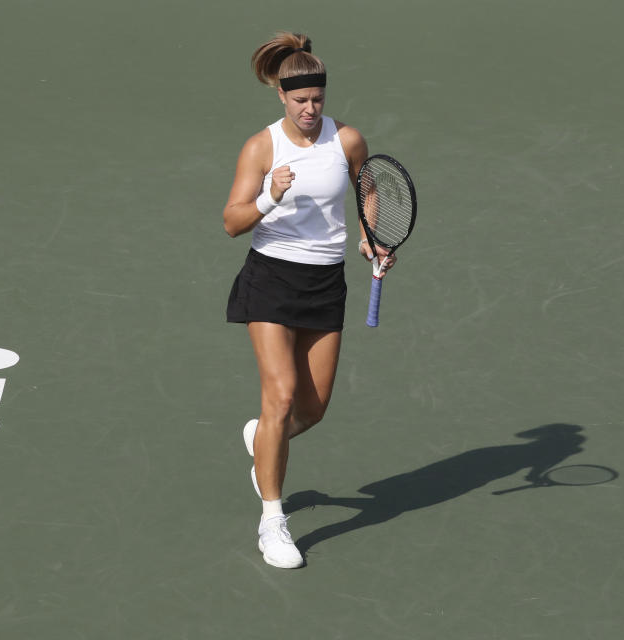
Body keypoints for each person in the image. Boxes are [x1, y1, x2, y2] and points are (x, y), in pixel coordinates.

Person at [223, 32, 396, 569]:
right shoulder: (261, 147)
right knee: (279, 396)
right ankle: (272, 521)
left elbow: (365, 185)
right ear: (281, 96)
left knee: (311, 409)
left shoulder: (346, 139)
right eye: (300, 101)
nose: (309, 109)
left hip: (325, 283)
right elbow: (232, 221)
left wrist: (370, 235)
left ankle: (264, 439)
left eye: (317, 99)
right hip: (271, 280)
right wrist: (270, 196)